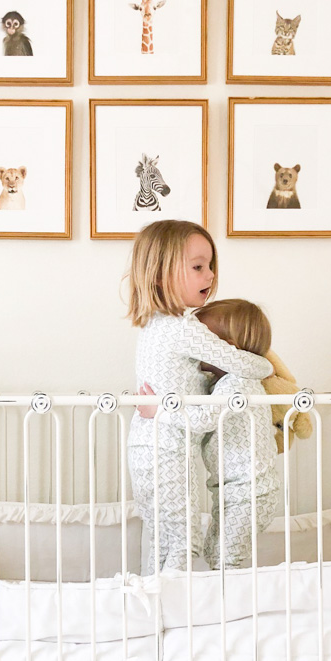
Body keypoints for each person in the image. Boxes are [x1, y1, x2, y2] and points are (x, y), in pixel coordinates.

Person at [126, 220, 273, 574]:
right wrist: (268, 365)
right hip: (167, 443)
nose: (209, 276)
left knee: (166, 537)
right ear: (160, 274)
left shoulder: (154, 324)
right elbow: (242, 363)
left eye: (210, 266)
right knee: (180, 539)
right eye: (197, 267)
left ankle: (159, 607)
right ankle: (173, 610)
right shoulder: (182, 328)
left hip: (152, 443)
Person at [194, 299, 281, 569]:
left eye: (201, 339)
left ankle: (230, 606)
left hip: (252, 492)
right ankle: (221, 598)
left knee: (226, 559)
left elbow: (204, 419)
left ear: (227, 349)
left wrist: (161, 411)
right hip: (231, 491)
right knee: (213, 552)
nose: (194, 345)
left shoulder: (238, 383)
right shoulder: (220, 383)